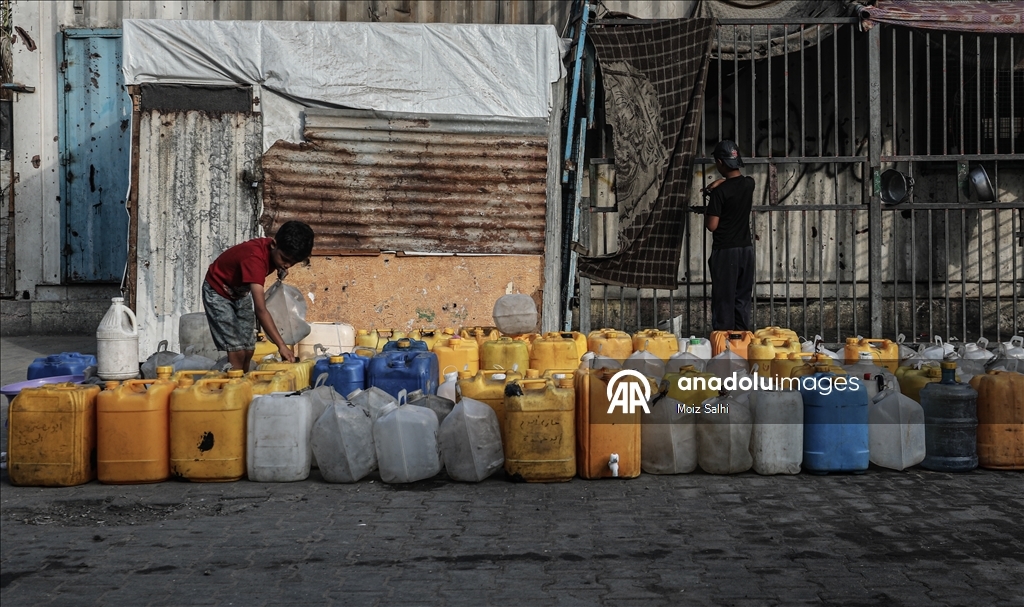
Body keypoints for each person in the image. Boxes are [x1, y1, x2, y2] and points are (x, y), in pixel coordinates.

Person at [203, 221, 315, 371]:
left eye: (292, 263)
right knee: (237, 349)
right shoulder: (254, 260)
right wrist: (281, 345)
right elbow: (261, 310)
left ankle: (243, 379)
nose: (287, 265)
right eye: (285, 259)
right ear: (274, 244)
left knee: (248, 347)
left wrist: (279, 267)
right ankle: (234, 388)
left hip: (240, 293)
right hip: (218, 291)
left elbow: (277, 261)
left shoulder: (275, 253)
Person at [704, 140, 755, 332]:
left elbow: (712, 226)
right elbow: (737, 182)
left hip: (726, 251)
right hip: (746, 250)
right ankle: (741, 342)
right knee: (742, 298)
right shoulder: (750, 184)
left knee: (724, 299)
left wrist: (711, 203)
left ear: (720, 162)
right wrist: (722, 182)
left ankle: (724, 347)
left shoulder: (719, 193)